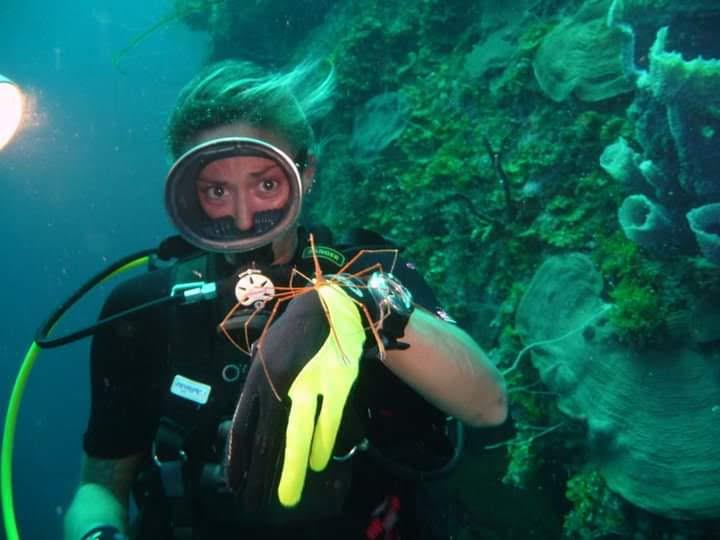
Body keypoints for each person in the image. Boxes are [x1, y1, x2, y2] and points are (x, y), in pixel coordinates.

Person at [63, 59, 507, 540]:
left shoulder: (371, 268)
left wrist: (361, 303)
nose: (243, 216)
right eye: (216, 190)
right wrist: (98, 532)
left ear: (307, 173)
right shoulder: (146, 309)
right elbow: (101, 485)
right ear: (188, 194)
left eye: (267, 184)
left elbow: (487, 404)